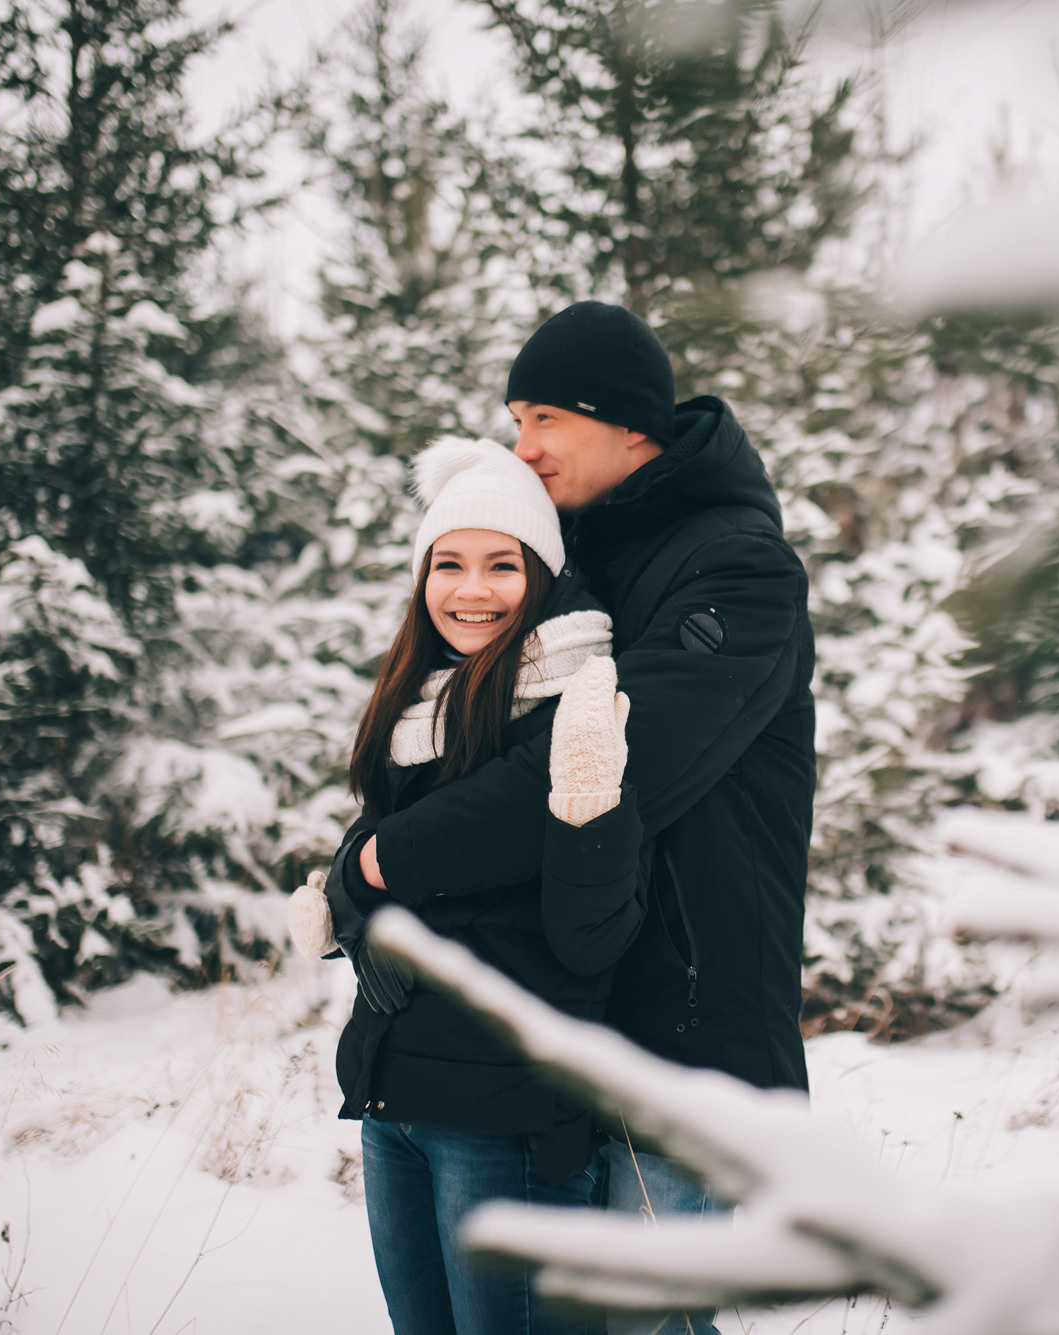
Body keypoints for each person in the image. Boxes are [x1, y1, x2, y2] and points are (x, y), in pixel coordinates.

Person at [350, 302, 817, 1335]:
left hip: (679, 1043)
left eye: (543, 419)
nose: (523, 447)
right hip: (575, 1023)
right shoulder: (582, 561)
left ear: (629, 426)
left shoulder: (736, 571)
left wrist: (381, 862)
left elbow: (587, 771)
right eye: (514, 421)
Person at [287, 435, 648, 1335]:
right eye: (448, 563)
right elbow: (397, 861)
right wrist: (359, 895)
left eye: (502, 565)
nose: (471, 589)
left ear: (544, 575)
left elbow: (590, 938)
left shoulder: (574, 707)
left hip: (508, 1120)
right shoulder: (421, 708)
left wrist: (589, 812)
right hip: (394, 1102)